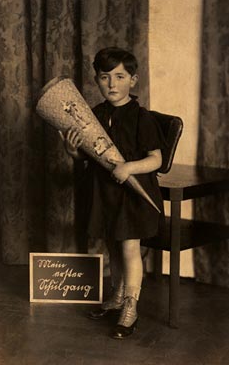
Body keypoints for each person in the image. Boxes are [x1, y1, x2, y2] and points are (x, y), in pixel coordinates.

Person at [60, 47, 166, 339]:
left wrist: (129, 167)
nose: (112, 84)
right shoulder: (95, 114)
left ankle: (131, 309)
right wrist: (73, 151)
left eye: (120, 76)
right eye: (105, 77)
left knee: (130, 248)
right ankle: (118, 296)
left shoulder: (142, 117)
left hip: (133, 197)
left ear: (133, 80)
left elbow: (156, 160)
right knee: (113, 246)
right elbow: (90, 155)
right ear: (96, 80)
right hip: (104, 193)